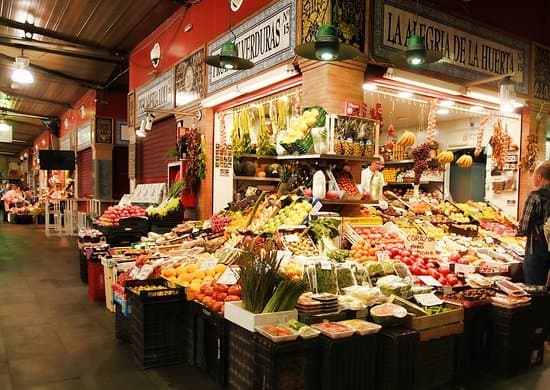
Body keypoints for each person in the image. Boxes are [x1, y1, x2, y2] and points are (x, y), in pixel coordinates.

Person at [517, 160, 550, 285]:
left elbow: (523, 228)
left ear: (539, 176)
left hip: (537, 250)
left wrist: (518, 229)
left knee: (534, 289)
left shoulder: (535, 196)